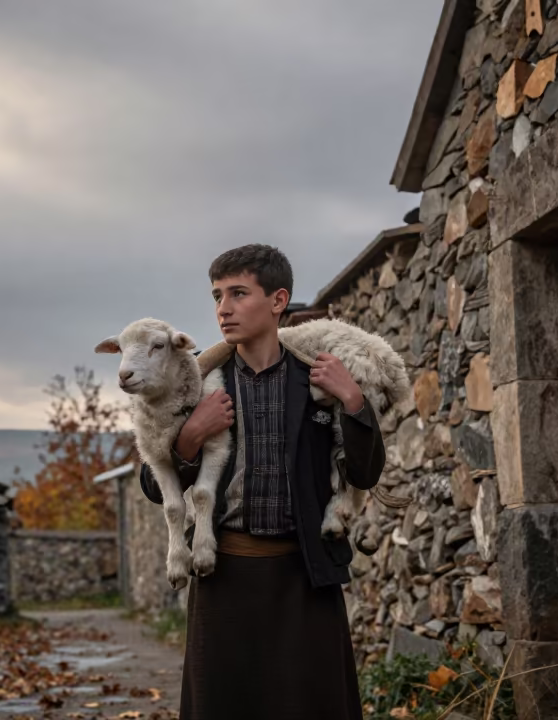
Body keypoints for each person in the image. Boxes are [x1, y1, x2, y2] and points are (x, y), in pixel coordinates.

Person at [138, 244, 386, 720]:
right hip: (223, 581)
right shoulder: (199, 385)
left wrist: (353, 400)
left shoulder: (319, 379)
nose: (223, 309)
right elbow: (155, 486)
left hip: (305, 583)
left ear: (277, 301)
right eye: (216, 296)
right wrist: (191, 435)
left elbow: (365, 473)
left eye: (238, 293)